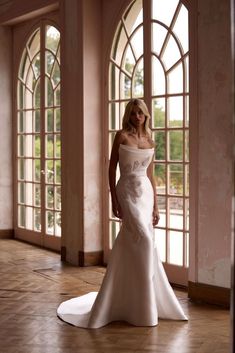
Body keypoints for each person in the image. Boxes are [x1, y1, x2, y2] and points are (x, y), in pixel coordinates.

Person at [57, 99, 188, 328]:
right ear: (128, 115)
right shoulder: (121, 136)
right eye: (133, 113)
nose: (137, 116)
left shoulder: (150, 140)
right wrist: (113, 198)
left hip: (144, 193)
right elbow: (111, 168)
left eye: (141, 113)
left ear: (146, 116)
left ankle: (131, 298)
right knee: (144, 240)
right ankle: (142, 302)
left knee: (136, 241)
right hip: (126, 190)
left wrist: (156, 206)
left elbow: (151, 175)